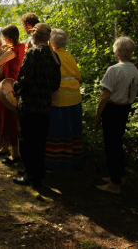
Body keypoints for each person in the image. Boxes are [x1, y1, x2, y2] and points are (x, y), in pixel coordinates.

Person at [12, 23, 61, 187]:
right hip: (45, 104)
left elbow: (23, 78)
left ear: (34, 36)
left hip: (30, 104)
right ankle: (36, 172)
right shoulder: (54, 55)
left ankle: (30, 176)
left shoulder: (33, 52)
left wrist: (15, 89)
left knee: (26, 140)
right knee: (39, 141)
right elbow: (56, 84)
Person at [95, 37, 138, 194]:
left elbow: (104, 97)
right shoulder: (134, 69)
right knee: (117, 143)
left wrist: (97, 116)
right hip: (125, 109)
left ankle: (115, 184)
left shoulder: (114, 70)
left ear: (118, 51)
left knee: (111, 146)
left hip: (113, 110)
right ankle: (119, 176)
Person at [45, 29, 83, 170]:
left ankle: (54, 162)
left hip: (59, 97)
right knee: (71, 130)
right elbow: (78, 77)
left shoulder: (52, 56)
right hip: (74, 97)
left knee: (57, 130)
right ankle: (73, 160)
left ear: (52, 42)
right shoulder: (69, 55)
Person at [0, 25, 25, 164]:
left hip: (8, 85)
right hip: (8, 83)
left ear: (8, 38)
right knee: (2, 113)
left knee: (10, 117)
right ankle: (4, 147)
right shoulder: (21, 46)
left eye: (4, 37)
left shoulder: (12, 51)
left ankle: (15, 155)